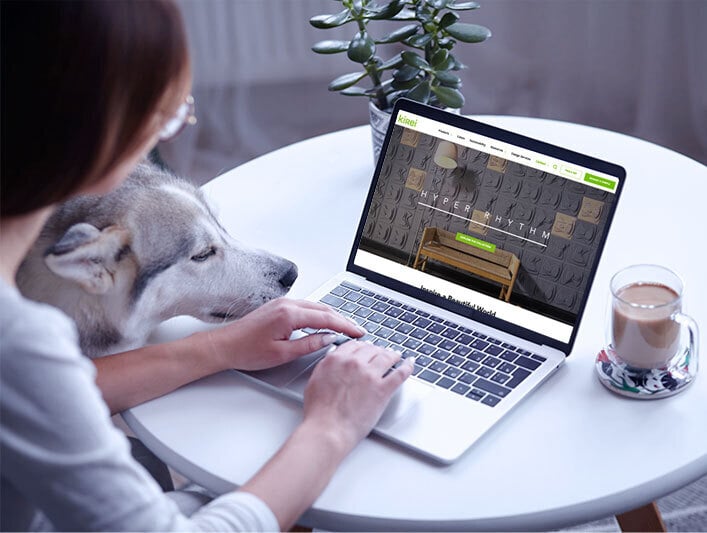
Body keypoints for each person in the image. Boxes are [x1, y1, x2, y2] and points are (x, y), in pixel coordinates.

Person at [0, 1, 414, 530]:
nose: (163, 134)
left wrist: (217, 348)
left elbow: (37, 399)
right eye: (167, 115)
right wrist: (332, 425)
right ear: (92, 132)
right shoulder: (18, 341)